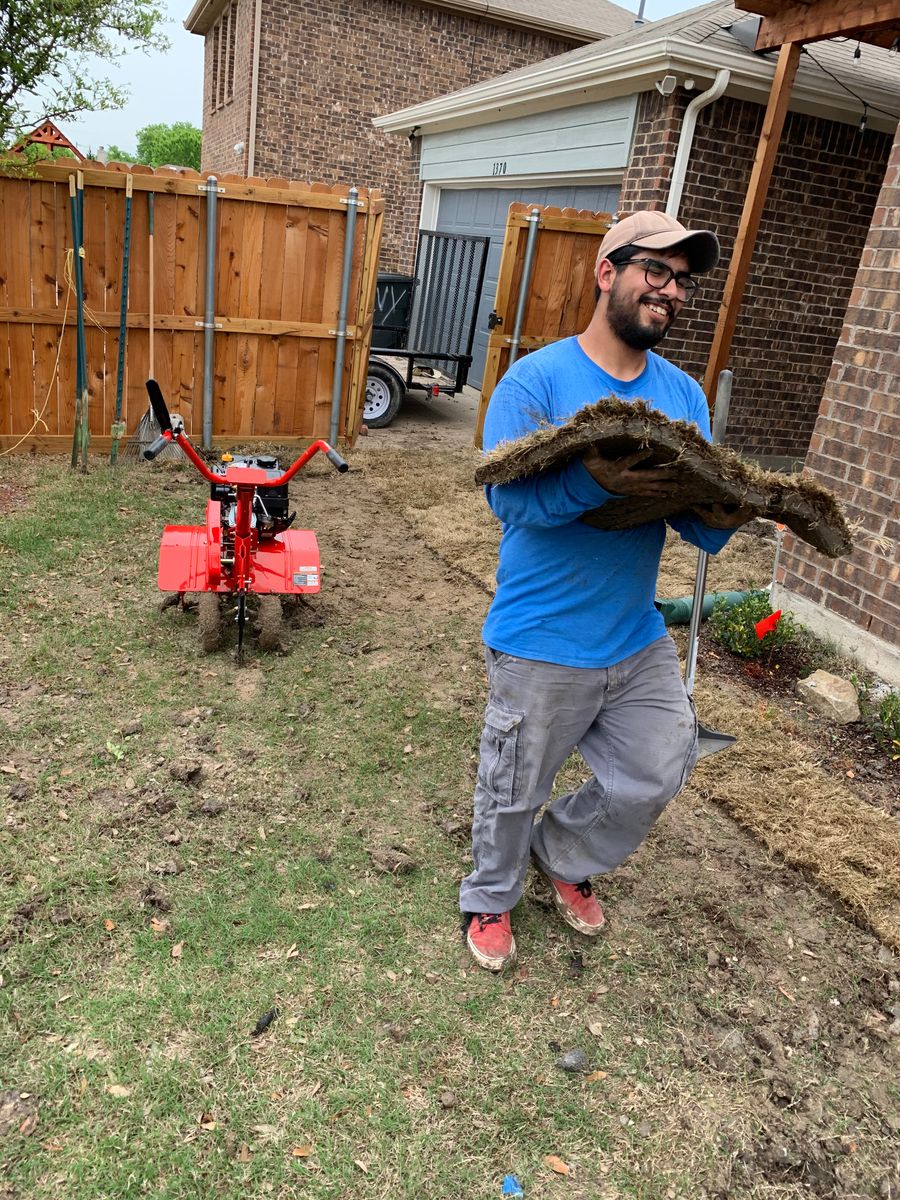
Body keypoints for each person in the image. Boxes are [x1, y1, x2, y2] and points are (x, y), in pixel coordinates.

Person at [461, 209, 752, 971]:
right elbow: (509, 501)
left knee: (660, 764)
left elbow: (701, 526)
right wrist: (590, 481)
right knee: (514, 784)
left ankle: (561, 852)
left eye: (682, 280)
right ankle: (490, 894)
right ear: (607, 273)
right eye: (656, 271)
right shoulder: (537, 381)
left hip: (633, 632)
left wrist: (728, 513)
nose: (671, 291)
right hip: (542, 637)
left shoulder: (683, 395)